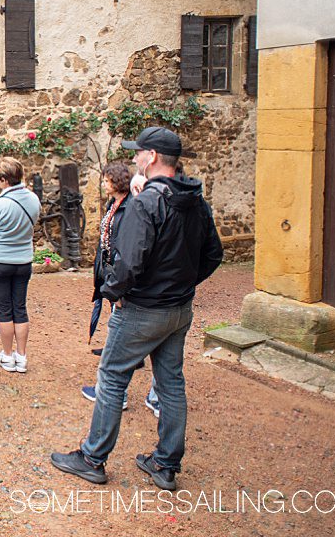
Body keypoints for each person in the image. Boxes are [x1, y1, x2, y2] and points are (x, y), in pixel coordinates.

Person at [51, 127, 223, 491]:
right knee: (171, 382)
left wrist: (113, 292)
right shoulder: (194, 199)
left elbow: (129, 261)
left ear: (153, 157)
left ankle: (92, 458)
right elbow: (213, 254)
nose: (134, 159)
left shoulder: (148, 202)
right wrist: (183, 284)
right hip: (178, 308)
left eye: (138, 153)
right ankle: (165, 464)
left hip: (143, 307)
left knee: (112, 378)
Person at [81, 162, 136, 409]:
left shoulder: (130, 207)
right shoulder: (113, 204)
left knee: (119, 328)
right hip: (110, 271)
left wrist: (117, 286)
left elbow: (125, 248)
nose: (103, 184)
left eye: (106, 180)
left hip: (119, 275)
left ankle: (113, 393)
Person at [0, 157, 41, 374]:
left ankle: (6, 355)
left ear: (4, 179)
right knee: (20, 308)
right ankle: (21, 356)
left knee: (3, 310)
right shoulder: (33, 200)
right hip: (23, 260)